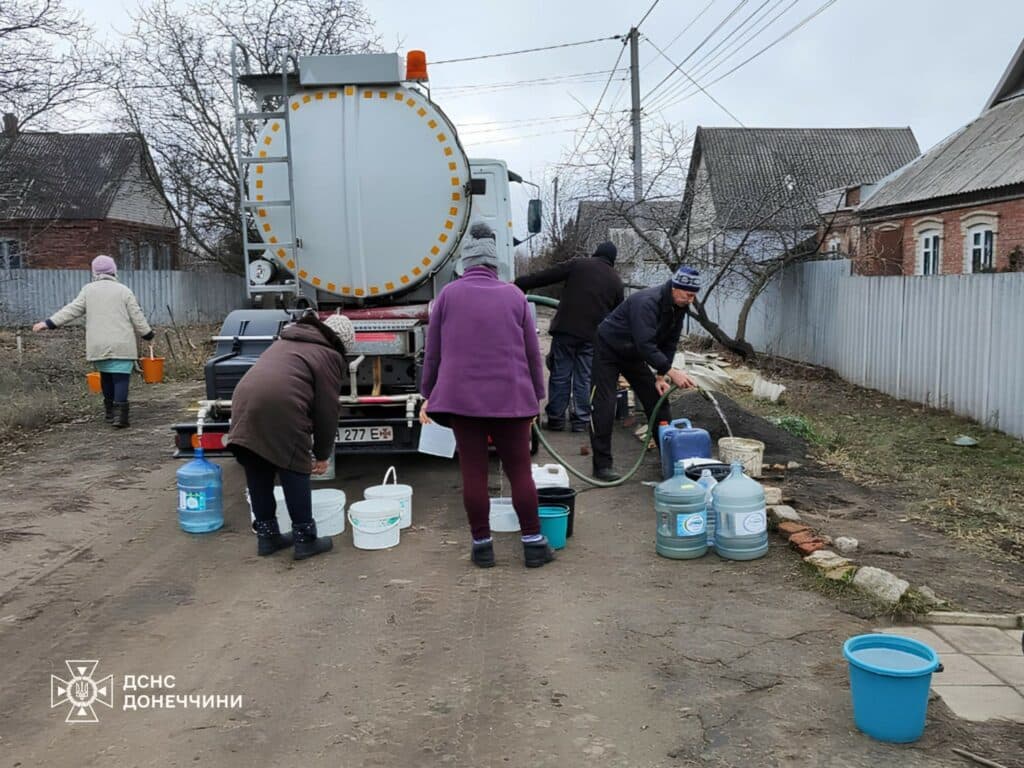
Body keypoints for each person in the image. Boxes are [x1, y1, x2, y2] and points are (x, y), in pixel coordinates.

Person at [419, 222, 554, 569]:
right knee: (520, 472)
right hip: (512, 400)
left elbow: (432, 352)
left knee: (474, 473)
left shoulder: (447, 296)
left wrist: (427, 394)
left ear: (465, 263)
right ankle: (534, 544)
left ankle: (482, 546)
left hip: (463, 403)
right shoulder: (515, 296)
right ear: (495, 265)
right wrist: (537, 398)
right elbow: (531, 353)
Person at [224, 311, 352, 560]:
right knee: (294, 465)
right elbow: (327, 410)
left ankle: (267, 537)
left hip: (244, 401)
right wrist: (322, 454)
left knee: (258, 464)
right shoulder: (328, 355)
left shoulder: (286, 341)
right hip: (280, 406)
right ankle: (306, 539)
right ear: (341, 343)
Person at [588, 266, 701, 482]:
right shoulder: (647, 302)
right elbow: (646, 344)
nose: (691, 300)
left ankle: (670, 461)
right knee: (604, 405)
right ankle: (602, 466)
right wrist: (671, 371)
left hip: (633, 352)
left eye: (694, 295)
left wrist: (661, 376)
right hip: (609, 348)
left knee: (658, 400)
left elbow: (669, 342)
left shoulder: (679, 306)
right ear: (676, 287)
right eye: (688, 294)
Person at [32, 254, 154, 428]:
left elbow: (71, 310)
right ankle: (121, 417)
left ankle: (110, 413)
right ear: (114, 271)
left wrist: (48, 323)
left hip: (98, 344)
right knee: (121, 379)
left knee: (106, 377)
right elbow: (137, 316)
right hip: (122, 344)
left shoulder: (88, 290)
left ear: (94, 272)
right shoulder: (124, 290)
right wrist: (147, 334)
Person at [514, 241, 624, 432]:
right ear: (612, 260)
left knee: (560, 373)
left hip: (566, 330)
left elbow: (547, 276)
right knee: (584, 377)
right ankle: (581, 420)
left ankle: (556, 418)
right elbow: (618, 315)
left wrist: (518, 284)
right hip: (592, 336)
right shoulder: (616, 280)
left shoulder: (579, 264)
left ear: (595, 252)